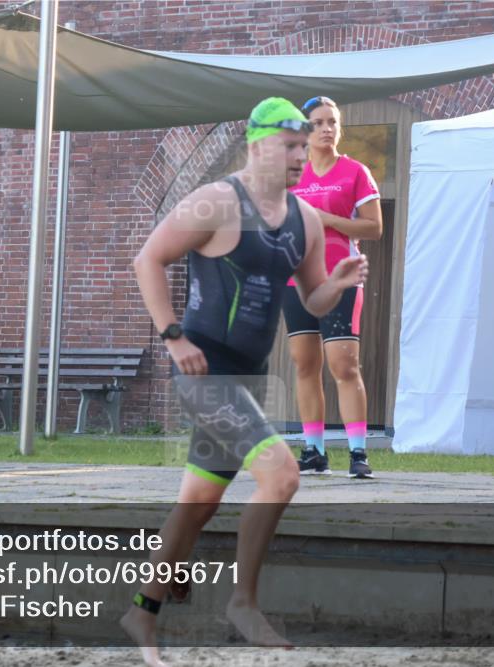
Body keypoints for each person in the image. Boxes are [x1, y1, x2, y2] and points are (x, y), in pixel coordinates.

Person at [122, 97, 370, 667]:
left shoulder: (305, 220)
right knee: (282, 475)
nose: (300, 157)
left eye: (303, 147)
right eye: (290, 146)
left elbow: (310, 299)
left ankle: (142, 609)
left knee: (198, 504)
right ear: (257, 144)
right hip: (205, 373)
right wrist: (173, 336)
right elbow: (147, 260)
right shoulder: (215, 201)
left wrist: (336, 281)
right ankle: (244, 603)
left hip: (249, 380)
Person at [282, 96, 383, 479]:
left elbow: (374, 228)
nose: (327, 129)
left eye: (333, 122)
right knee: (305, 364)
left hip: (340, 276)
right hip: (296, 281)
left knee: (344, 365)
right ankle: (314, 452)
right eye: (319, 123)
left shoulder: (355, 171)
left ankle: (358, 453)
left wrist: (327, 219)